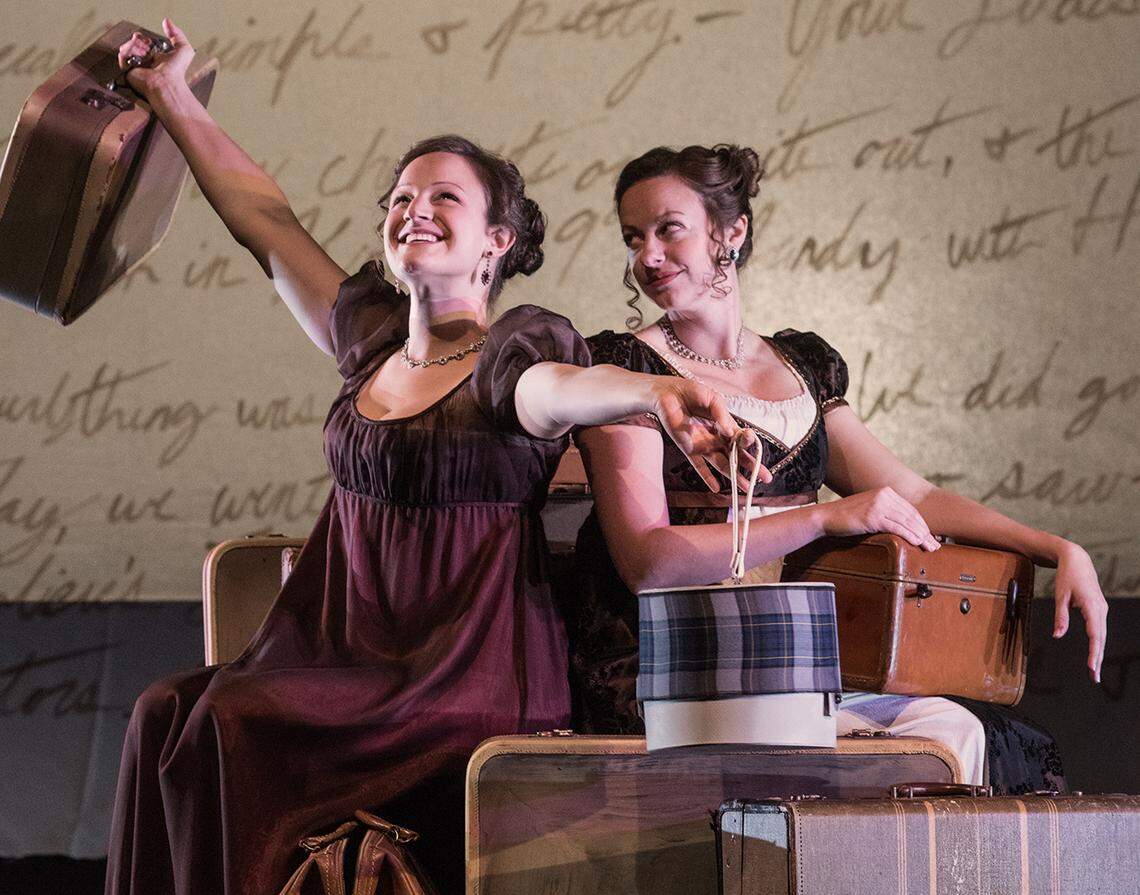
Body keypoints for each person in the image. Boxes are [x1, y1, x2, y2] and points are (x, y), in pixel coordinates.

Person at [105, 23, 750, 894]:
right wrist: (171, 95)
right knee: (161, 711)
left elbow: (553, 393)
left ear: (496, 240)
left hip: (461, 667)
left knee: (232, 720)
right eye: (402, 197)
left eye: (446, 198)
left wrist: (650, 394)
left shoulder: (518, 350)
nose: (416, 209)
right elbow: (263, 220)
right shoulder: (370, 341)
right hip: (340, 652)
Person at [569, 143, 1106, 791]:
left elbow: (911, 491)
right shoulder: (624, 370)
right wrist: (824, 516)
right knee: (893, 758)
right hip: (673, 672)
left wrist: (1056, 546)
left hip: (791, 665)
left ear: (731, 231)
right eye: (633, 237)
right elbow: (649, 562)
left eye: (667, 229)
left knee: (956, 730)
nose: (647, 256)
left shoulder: (801, 364)